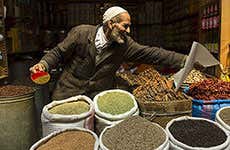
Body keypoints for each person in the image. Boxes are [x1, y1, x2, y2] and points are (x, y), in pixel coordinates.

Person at [30, 6, 187, 100]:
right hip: (68, 93)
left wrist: (185, 60)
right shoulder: (81, 33)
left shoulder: (125, 45)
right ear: (111, 24)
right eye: (125, 26)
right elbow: (58, 52)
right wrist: (44, 64)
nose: (128, 31)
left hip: (98, 96)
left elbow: (152, 54)